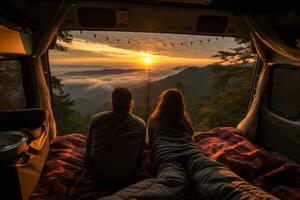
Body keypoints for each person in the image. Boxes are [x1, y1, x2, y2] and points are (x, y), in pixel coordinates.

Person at [99, 88, 276, 200]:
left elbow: (149, 143)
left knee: (171, 184)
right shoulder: (185, 121)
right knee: (222, 179)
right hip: (193, 153)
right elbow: (191, 137)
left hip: (166, 156)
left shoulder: (154, 119)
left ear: (162, 103)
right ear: (181, 105)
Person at [85, 87, 146, 185]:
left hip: (96, 175)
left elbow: (88, 150)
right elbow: (139, 156)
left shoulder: (97, 119)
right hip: (126, 177)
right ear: (131, 103)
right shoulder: (140, 124)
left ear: (112, 103)